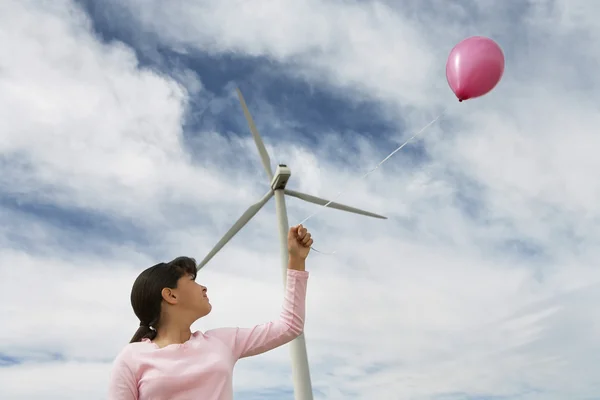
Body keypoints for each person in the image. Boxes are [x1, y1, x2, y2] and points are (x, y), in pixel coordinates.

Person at [107, 224, 313, 400]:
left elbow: (289, 326)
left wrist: (296, 260)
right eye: (192, 280)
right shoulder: (131, 357)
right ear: (170, 295)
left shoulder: (222, 342)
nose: (203, 287)